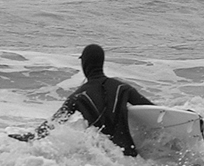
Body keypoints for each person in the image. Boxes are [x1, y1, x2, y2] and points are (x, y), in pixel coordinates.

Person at [10, 43, 153, 156]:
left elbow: (54, 123)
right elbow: (153, 111)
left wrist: (30, 136)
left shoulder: (78, 96)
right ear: (101, 62)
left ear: (84, 63)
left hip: (105, 158)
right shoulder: (122, 88)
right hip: (130, 154)